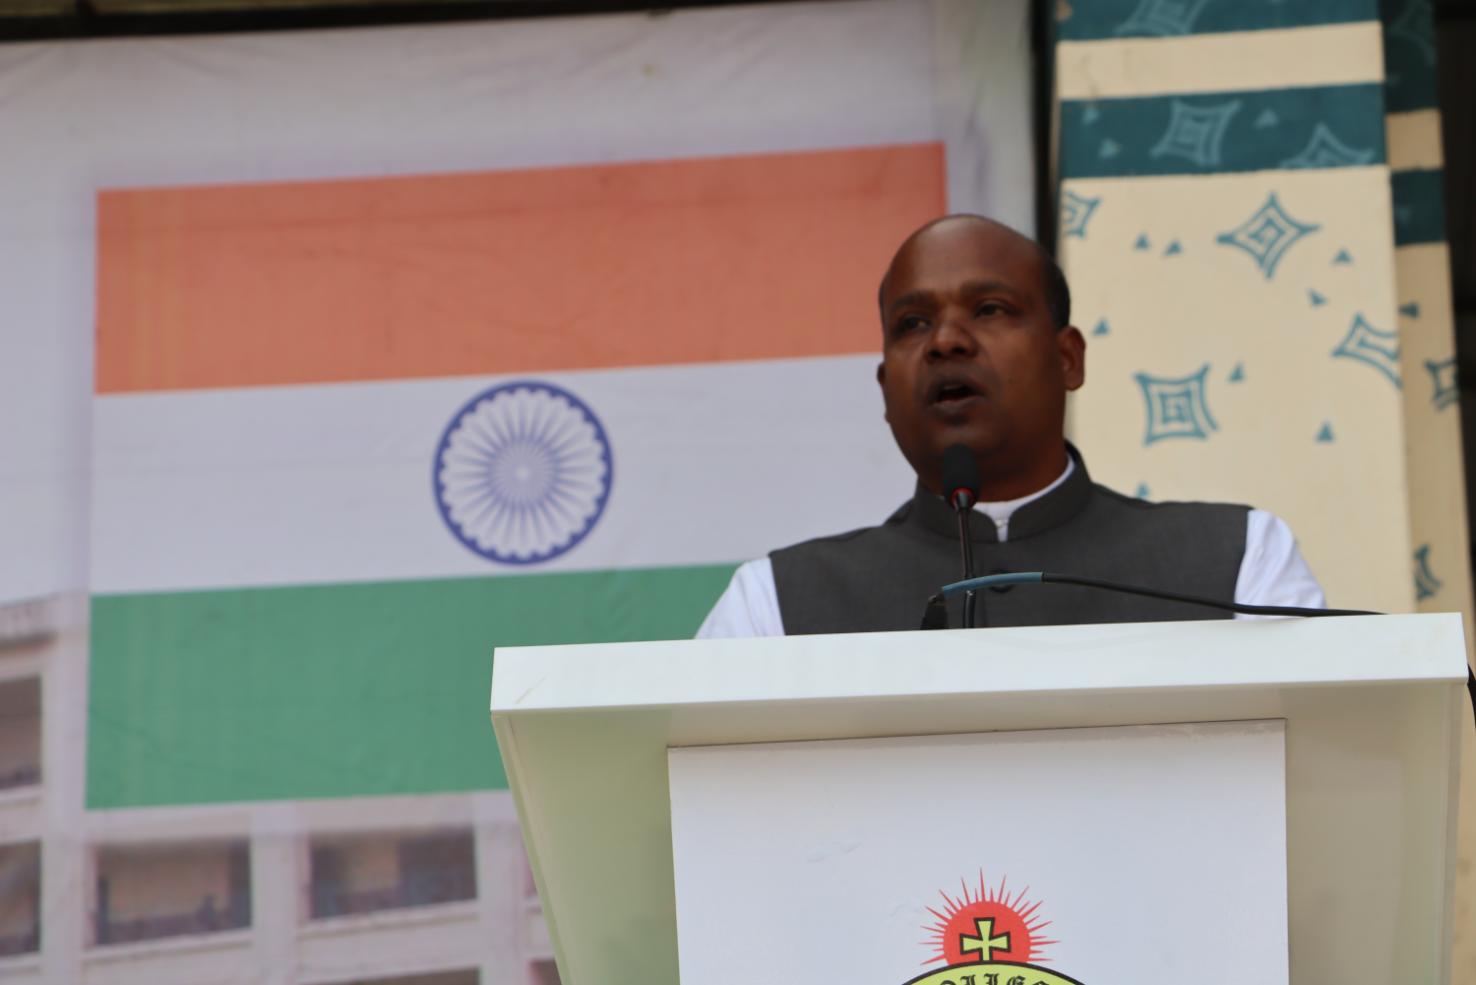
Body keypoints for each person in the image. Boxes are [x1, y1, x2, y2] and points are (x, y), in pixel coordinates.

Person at [698, 215, 1324, 637]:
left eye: (990, 309)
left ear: (1067, 358)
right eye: (913, 323)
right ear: (886, 390)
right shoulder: (775, 604)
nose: (945, 341)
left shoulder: (1238, 561)